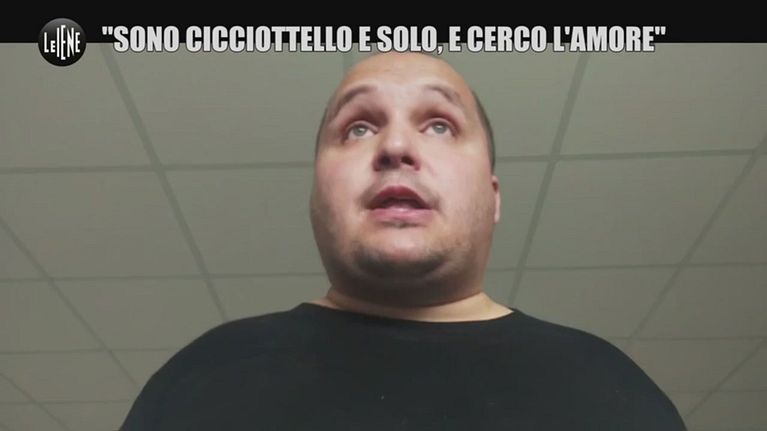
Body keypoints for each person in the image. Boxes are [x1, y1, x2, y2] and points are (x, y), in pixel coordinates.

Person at [120, 52, 687, 430]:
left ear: (493, 196)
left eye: (439, 124)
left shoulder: (610, 389)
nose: (395, 146)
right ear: (316, 196)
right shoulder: (203, 378)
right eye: (358, 127)